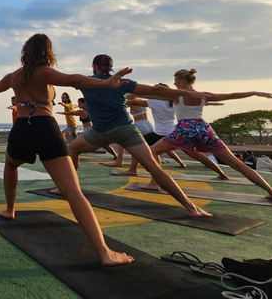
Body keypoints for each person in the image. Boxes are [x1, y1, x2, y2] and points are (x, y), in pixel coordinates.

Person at [0, 34, 138, 266]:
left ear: (26, 51)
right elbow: (73, 79)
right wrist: (105, 83)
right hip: (45, 128)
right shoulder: (44, 72)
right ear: (47, 52)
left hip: (22, 127)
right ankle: (104, 252)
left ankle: (10, 209)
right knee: (72, 191)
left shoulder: (15, 76)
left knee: (11, 164)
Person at [50, 54, 213, 219]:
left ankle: (66, 188)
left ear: (94, 67)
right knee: (154, 168)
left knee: (72, 150)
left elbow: (60, 79)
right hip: (126, 130)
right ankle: (191, 208)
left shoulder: (86, 82)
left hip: (100, 131)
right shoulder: (123, 83)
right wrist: (186, 92)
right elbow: (154, 90)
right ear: (110, 69)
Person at [138, 68, 272, 201]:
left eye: (176, 81)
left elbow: (151, 93)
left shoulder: (177, 96)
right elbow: (231, 95)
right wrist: (255, 93)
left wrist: (124, 89)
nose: (174, 83)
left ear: (182, 81)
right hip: (204, 129)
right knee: (236, 163)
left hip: (185, 129)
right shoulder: (203, 96)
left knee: (152, 151)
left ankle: (154, 182)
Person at [124, 87, 230, 178]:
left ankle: (134, 170)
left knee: (138, 144)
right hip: (175, 130)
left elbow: (134, 102)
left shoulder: (156, 102)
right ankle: (221, 173)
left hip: (162, 133)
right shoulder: (173, 102)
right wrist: (213, 103)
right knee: (194, 154)